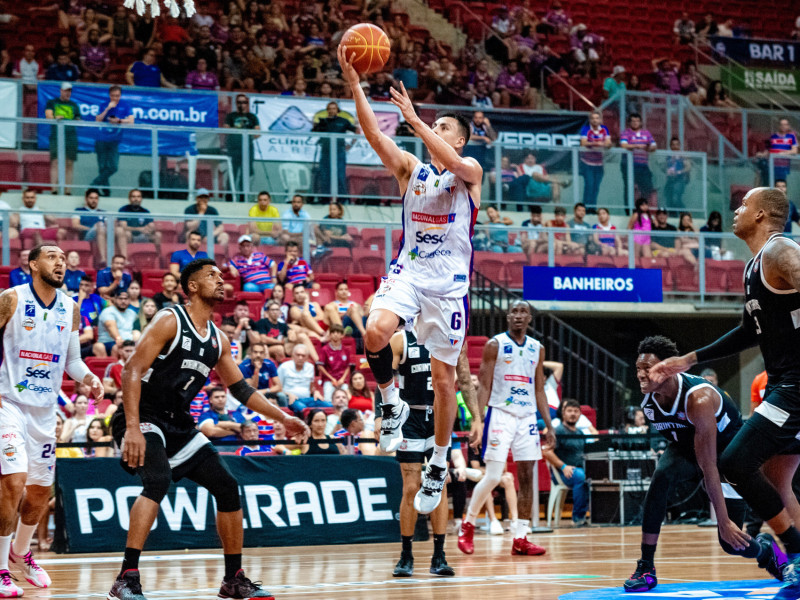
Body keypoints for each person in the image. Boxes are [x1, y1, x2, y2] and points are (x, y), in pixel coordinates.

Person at [106, 258, 309, 600]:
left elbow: (241, 389)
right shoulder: (170, 319)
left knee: (228, 487)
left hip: (178, 423)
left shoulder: (217, 339)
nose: (220, 279)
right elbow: (131, 370)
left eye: (220, 274)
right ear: (193, 287)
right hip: (143, 414)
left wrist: (283, 417)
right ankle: (126, 578)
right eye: (211, 275)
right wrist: (132, 428)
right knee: (157, 480)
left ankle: (233, 580)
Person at [339, 45, 483, 514]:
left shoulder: (470, 174)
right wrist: (355, 84)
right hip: (410, 273)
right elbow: (372, 137)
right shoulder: (411, 171)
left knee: (444, 383)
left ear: (459, 140)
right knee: (376, 330)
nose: (433, 130)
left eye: (444, 128)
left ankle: (439, 463)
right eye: (433, 125)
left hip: (449, 290)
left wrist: (417, 120)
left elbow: (457, 164)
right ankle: (390, 403)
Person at [649, 187, 800, 600]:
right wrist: (687, 360)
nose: (735, 210)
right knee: (775, 475)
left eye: (743, 205)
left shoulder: (780, 251)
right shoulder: (756, 265)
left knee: (735, 460)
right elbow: (749, 332)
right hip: (782, 383)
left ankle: (795, 552)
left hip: (796, 386)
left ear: (762, 214)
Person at [625, 335, 786, 593]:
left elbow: (709, 464)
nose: (641, 375)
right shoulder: (649, 400)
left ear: (667, 368)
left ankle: (766, 551)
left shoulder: (697, 400)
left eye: (648, 369)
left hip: (729, 454)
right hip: (692, 446)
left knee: (731, 542)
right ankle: (646, 566)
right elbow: (681, 444)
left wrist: (722, 521)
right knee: (661, 476)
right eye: (638, 369)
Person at [0, 244, 104, 598]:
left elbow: (73, 362)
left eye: (63, 259)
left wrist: (88, 378)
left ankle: (20, 553)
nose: (60, 263)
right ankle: (0, 568)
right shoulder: (11, 299)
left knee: (40, 492)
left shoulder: (70, 308)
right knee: (14, 481)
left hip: (45, 411)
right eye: (52, 257)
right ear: (32, 264)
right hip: (8, 402)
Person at [458, 301, 555, 557]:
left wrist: (549, 423)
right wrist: (476, 420)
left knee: (526, 476)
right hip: (500, 414)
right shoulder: (495, 344)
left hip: (527, 417)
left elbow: (539, 390)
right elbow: (485, 386)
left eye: (524, 312)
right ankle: (467, 525)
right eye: (515, 312)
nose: (519, 316)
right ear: (508, 316)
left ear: (530, 318)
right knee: (492, 476)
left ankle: (521, 537)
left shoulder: (537, 348)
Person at [391, 329, 455, 578]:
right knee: (410, 487)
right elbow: (384, 376)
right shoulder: (401, 338)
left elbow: (456, 383)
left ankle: (439, 555)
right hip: (410, 417)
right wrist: (380, 415)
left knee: (439, 485)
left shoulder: (447, 336)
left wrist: (474, 418)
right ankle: (406, 555)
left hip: (439, 416)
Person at [543, 398, 589, 526]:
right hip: (562, 474)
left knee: (596, 477)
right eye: (569, 411)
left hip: (580, 470)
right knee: (580, 475)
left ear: (580, 414)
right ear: (563, 413)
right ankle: (578, 518)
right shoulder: (558, 431)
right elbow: (547, 452)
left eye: (576, 411)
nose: (573, 414)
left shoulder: (580, 433)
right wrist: (563, 466)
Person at [90, 85, 134, 196]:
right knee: (102, 167)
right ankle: (106, 191)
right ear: (110, 95)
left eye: (117, 96)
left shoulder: (125, 106)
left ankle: (93, 185)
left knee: (113, 167)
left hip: (115, 141)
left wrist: (119, 121)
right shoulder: (104, 104)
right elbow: (98, 119)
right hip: (101, 140)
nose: (115, 98)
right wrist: (107, 109)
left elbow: (131, 121)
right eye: (113, 96)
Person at [312, 101, 356, 202]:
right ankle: (325, 198)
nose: (332, 111)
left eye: (334, 108)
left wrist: (351, 144)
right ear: (327, 110)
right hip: (326, 151)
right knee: (325, 174)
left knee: (340, 175)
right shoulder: (323, 122)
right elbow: (314, 131)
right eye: (330, 109)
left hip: (339, 151)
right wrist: (315, 126)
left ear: (337, 110)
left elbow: (356, 131)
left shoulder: (343, 121)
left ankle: (342, 198)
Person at [45, 82, 81, 194]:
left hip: (70, 136)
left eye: (69, 91)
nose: (68, 93)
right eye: (66, 90)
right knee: (55, 162)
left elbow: (77, 119)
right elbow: (48, 116)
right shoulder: (52, 103)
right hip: (56, 136)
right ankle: (54, 189)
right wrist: (56, 117)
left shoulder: (74, 105)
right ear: (61, 91)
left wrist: (78, 121)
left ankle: (67, 190)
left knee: (69, 163)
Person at [224, 94, 260, 201]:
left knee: (246, 174)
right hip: (234, 148)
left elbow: (257, 132)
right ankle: (229, 197)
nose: (242, 104)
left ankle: (243, 197)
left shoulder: (252, 117)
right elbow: (226, 130)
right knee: (232, 173)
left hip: (248, 149)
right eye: (239, 102)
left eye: (244, 102)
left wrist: (247, 133)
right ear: (236, 104)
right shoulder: (231, 116)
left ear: (247, 104)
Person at [277, 343, 331, 414]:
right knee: (303, 409)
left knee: (329, 406)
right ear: (293, 355)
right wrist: (288, 394)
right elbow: (278, 388)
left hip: (307, 399)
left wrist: (316, 392)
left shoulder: (310, 367)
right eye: (298, 355)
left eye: (303, 356)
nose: (300, 358)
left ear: (307, 358)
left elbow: (311, 388)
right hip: (292, 400)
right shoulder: (284, 367)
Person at [579, 110, 612, 212]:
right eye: (593, 118)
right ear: (590, 120)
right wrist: (599, 143)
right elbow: (583, 143)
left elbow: (608, 144)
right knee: (589, 185)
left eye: (597, 118)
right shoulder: (585, 129)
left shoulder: (604, 129)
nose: (595, 120)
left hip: (599, 164)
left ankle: (592, 208)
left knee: (596, 187)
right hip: (587, 163)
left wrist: (593, 143)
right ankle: (585, 208)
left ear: (601, 120)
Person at [238, 342, 287, 407]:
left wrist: (266, 390)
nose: (258, 355)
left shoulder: (269, 364)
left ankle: (285, 415)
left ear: (264, 354)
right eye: (255, 352)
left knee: (282, 396)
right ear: (251, 354)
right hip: (250, 395)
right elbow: (252, 388)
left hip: (265, 392)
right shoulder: (243, 366)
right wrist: (256, 370)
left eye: (261, 353)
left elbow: (279, 387)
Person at [116, 188, 161, 258]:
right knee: (126, 233)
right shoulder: (123, 210)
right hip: (131, 237)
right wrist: (139, 229)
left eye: (138, 197)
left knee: (158, 235)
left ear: (141, 199)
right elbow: (123, 226)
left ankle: (159, 259)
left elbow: (152, 226)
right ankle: (125, 258)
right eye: (133, 197)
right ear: (129, 198)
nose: (136, 199)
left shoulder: (145, 211)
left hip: (143, 235)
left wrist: (149, 229)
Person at [620, 113, 657, 200]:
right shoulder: (626, 133)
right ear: (629, 123)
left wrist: (648, 148)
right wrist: (636, 146)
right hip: (629, 165)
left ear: (640, 122)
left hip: (643, 165)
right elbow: (624, 145)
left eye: (637, 121)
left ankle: (642, 206)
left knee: (647, 187)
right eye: (633, 121)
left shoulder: (646, 133)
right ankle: (629, 210)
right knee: (629, 187)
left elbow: (654, 146)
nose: (635, 123)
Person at [96, 288, 137, 356]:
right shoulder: (108, 311)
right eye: (120, 299)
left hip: (128, 343)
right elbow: (111, 327)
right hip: (109, 343)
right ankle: (115, 366)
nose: (123, 301)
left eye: (126, 299)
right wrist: (119, 340)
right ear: (114, 299)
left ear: (130, 300)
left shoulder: (132, 313)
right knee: (117, 347)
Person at [72, 188, 108, 265]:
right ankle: (103, 258)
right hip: (86, 236)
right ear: (86, 199)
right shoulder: (79, 210)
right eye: (91, 198)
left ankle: (103, 259)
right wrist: (92, 228)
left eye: (96, 198)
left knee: (103, 227)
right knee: (100, 225)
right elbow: (75, 225)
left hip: (102, 234)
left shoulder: (103, 212)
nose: (94, 200)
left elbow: (109, 227)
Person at [317, 323, 351, 402]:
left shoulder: (346, 350)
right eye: (333, 332)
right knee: (328, 400)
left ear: (342, 335)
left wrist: (342, 379)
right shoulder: (324, 349)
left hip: (342, 381)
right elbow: (320, 366)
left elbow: (348, 366)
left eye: (338, 332)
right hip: (329, 380)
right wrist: (332, 379)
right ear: (330, 335)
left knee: (347, 400)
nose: (335, 334)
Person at [664, 137, 691, 211]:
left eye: (677, 144)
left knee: (676, 198)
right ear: (670, 146)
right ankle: (673, 217)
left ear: (679, 145)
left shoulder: (683, 155)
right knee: (669, 199)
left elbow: (688, 167)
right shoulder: (668, 156)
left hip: (679, 180)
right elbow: (665, 167)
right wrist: (667, 171)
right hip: (670, 180)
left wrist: (680, 172)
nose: (675, 146)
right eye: (673, 145)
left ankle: (685, 215)